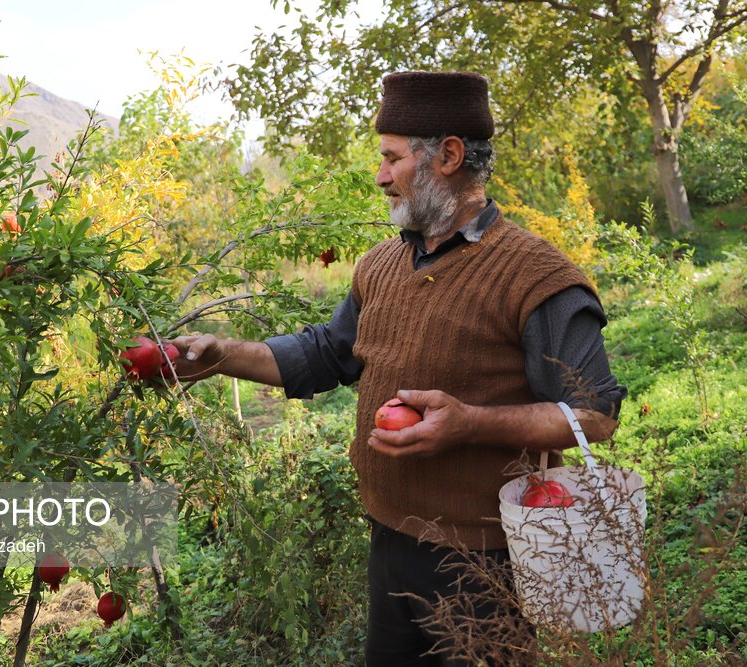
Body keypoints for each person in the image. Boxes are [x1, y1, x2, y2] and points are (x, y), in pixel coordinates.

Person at [172, 71, 626, 666]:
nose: (381, 175)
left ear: (449, 156)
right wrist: (220, 355)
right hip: (389, 541)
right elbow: (326, 353)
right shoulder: (381, 265)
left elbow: (593, 415)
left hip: (487, 562)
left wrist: (470, 424)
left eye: (391, 158)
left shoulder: (535, 275)